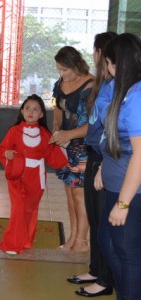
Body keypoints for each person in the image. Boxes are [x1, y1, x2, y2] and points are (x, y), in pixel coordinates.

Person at [66, 32, 116, 297]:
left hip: (103, 157)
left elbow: (109, 128)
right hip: (94, 153)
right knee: (96, 218)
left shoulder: (115, 85)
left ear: (100, 53)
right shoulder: (104, 84)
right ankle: (96, 269)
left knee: (104, 222)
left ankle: (106, 280)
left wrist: (100, 165)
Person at [97, 33, 141, 300]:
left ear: (117, 63)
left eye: (109, 63)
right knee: (108, 244)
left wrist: (123, 204)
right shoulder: (125, 91)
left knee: (127, 255)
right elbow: (115, 138)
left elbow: (140, 154)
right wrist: (104, 165)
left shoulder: (137, 96)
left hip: (131, 192)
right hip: (116, 182)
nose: (107, 69)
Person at [0, 94, 68, 255]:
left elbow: (53, 156)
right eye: (27, 108)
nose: (30, 112)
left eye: (35, 109)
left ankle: (26, 240)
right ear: (21, 111)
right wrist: (7, 153)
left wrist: (68, 160)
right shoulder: (14, 131)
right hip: (18, 175)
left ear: (41, 114)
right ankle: (12, 243)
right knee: (18, 208)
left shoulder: (45, 135)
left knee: (30, 209)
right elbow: (0, 150)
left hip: (37, 177)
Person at [49, 46, 94, 252]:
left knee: (79, 194)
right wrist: (57, 128)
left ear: (76, 65)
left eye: (65, 70)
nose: (61, 74)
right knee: (69, 192)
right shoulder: (61, 83)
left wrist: (68, 135)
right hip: (66, 145)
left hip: (83, 146)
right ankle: (72, 237)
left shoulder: (91, 85)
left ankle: (82, 242)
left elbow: (93, 124)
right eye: (59, 70)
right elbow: (58, 108)